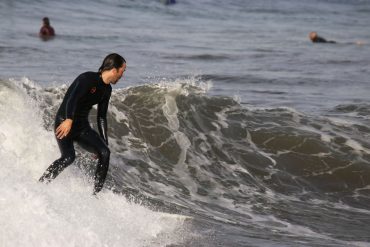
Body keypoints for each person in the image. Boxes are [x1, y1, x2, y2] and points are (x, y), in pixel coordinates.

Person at [39, 53, 126, 194]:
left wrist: (103, 143)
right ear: (114, 69)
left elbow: (101, 117)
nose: (122, 75)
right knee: (68, 157)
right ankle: (41, 184)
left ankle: (95, 195)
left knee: (105, 152)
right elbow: (72, 99)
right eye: (123, 70)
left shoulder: (107, 90)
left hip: (81, 127)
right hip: (64, 121)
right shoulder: (87, 79)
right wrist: (68, 119)